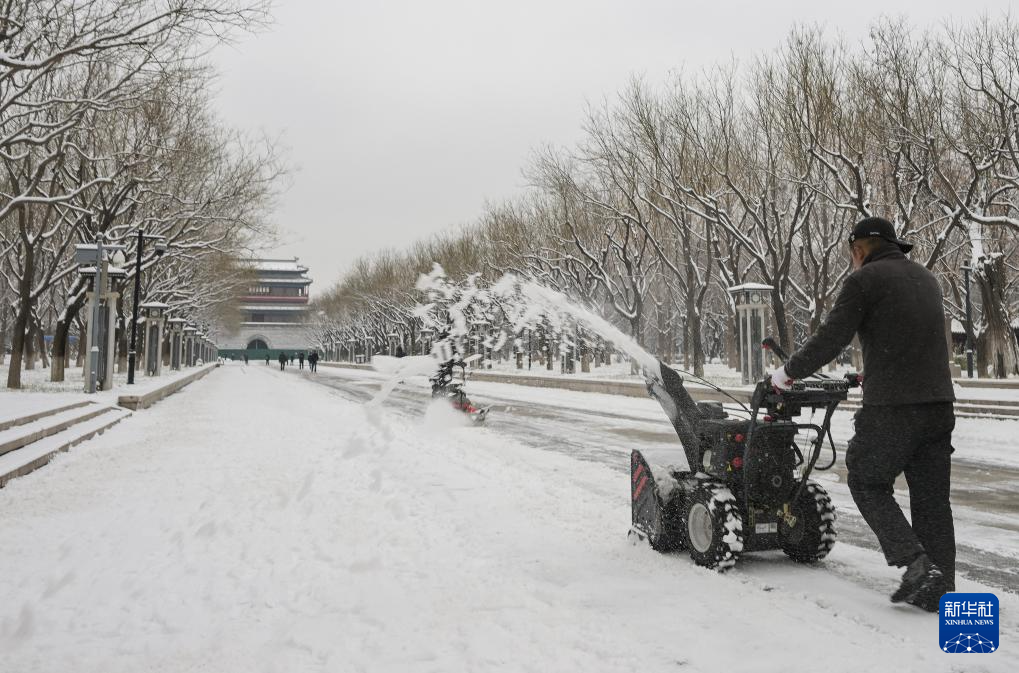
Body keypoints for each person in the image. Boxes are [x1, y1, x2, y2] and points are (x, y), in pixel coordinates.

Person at [770, 216, 956, 612]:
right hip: (939, 406)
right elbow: (909, 339)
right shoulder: (927, 279)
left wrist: (787, 373)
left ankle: (916, 564)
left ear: (858, 250)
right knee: (932, 500)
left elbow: (832, 337)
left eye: (851, 254)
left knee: (867, 480)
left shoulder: (863, 281)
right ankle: (940, 588)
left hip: (893, 408)